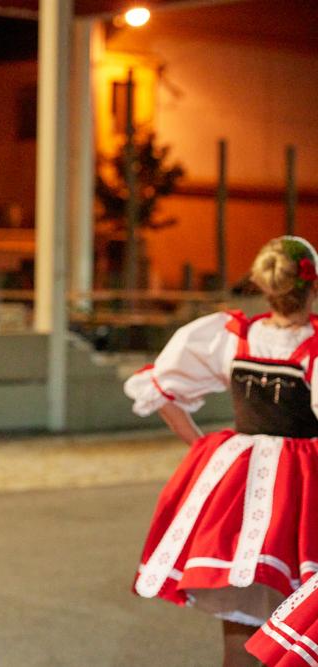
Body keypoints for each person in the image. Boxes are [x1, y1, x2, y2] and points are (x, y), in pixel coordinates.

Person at [125, 236, 318, 667]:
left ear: (263, 285)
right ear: (313, 286)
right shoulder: (314, 345)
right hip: (302, 491)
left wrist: (205, 450)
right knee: (301, 625)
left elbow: (161, 390)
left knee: (240, 629)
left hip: (242, 489)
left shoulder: (232, 335)